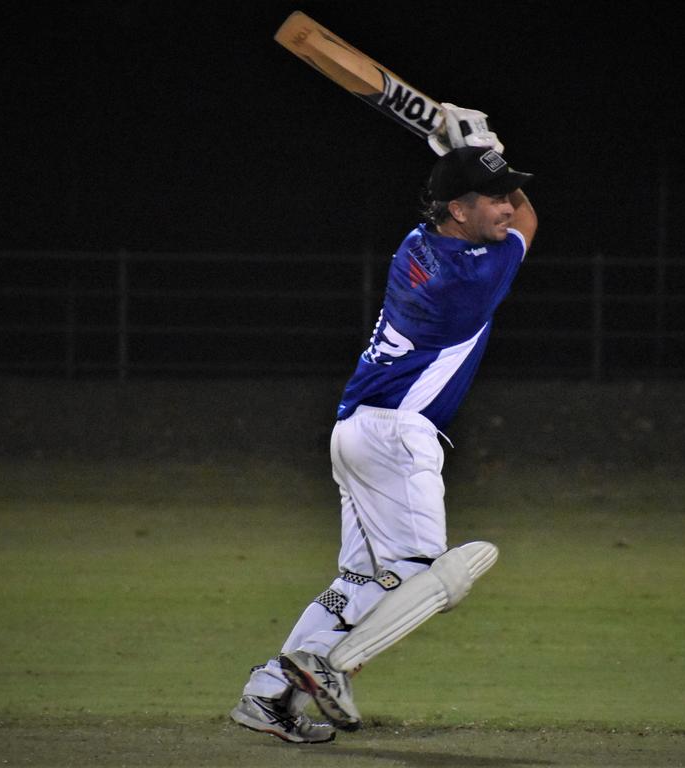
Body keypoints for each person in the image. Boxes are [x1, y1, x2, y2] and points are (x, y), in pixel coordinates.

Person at [230, 110, 538, 743]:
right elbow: (532, 223)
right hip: (399, 434)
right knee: (431, 576)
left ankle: (267, 694)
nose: (509, 206)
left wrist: (481, 156)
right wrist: (479, 142)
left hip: (354, 429)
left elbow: (506, 212)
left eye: (509, 193)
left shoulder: (416, 243)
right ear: (458, 210)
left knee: (364, 580)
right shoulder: (473, 278)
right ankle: (334, 667)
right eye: (495, 197)